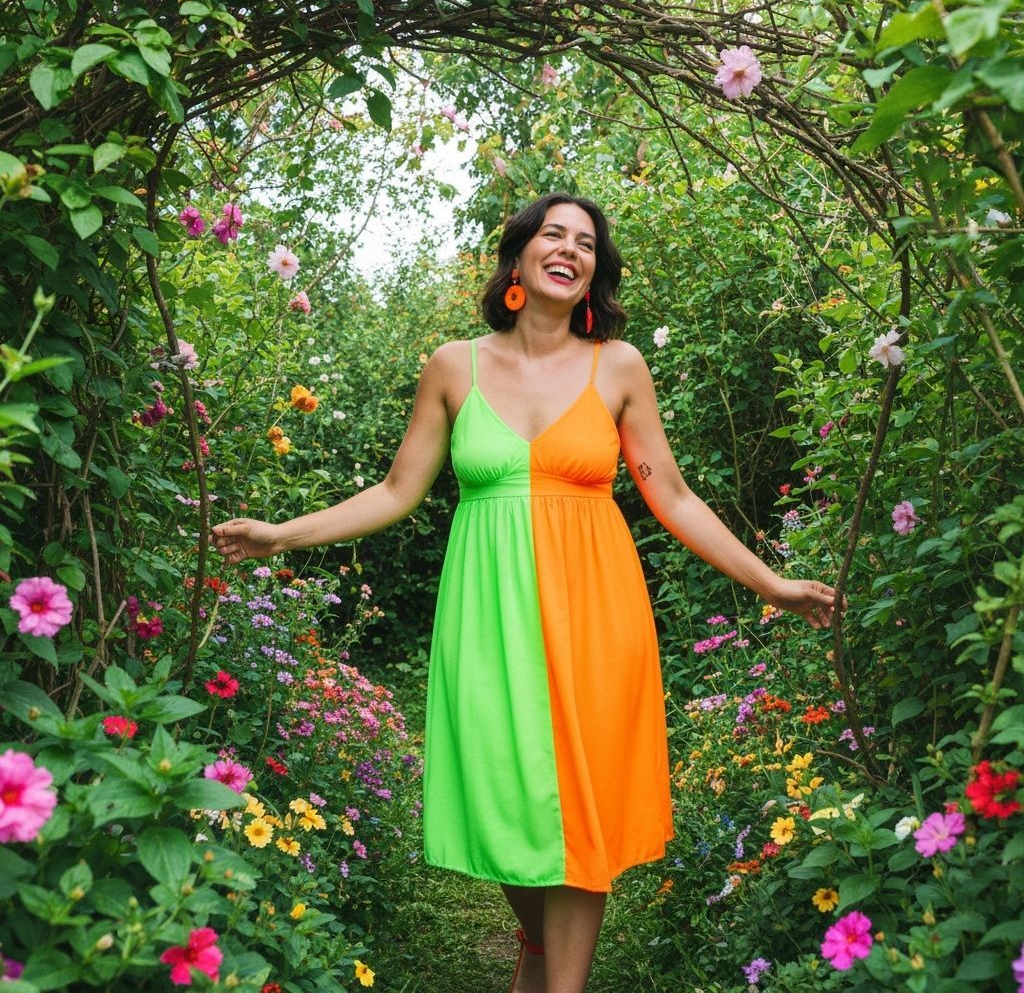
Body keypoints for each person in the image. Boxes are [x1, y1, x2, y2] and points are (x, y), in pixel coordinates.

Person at [212, 193, 842, 993]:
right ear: (518, 257)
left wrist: (774, 584)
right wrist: (281, 533)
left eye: (587, 244)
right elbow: (397, 490)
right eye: (555, 235)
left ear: (592, 276)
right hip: (487, 611)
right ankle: (538, 944)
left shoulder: (618, 366)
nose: (570, 250)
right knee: (497, 787)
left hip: (595, 609)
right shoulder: (453, 365)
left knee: (580, 802)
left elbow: (672, 496)